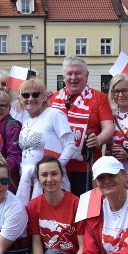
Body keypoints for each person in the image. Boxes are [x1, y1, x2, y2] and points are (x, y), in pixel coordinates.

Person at [49, 57, 114, 196]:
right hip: (58, 167)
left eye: (78, 73)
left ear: (86, 76)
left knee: (85, 210)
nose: (73, 77)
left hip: (87, 167)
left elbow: (109, 128)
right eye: (69, 74)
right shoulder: (53, 98)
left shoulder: (99, 97)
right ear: (64, 76)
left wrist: (98, 140)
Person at [17, 78, 77, 205]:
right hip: (28, 182)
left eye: (36, 94)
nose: (31, 98)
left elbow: (70, 145)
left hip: (50, 183)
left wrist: (55, 170)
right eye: (26, 95)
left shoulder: (54, 114)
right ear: (20, 99)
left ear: (44, 96)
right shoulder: (25, 119)